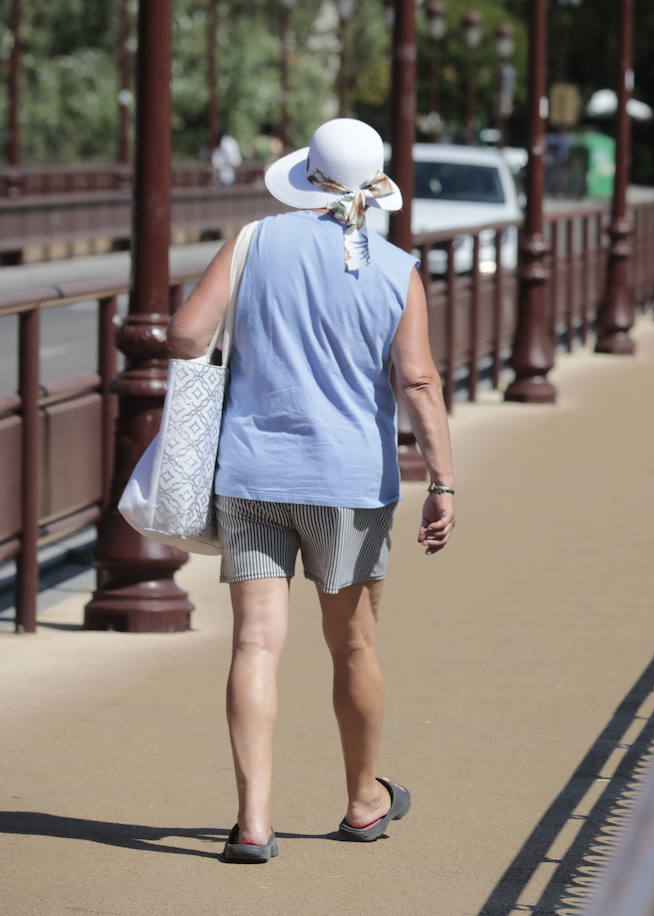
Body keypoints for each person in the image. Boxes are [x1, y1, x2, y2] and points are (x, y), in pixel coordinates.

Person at [167, 118, 455, 864]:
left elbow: (187, 335)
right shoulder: (396, 268)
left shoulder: (255, 241)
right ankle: (364, 803)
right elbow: (418, 382)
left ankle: (253, 823)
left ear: (303, 180)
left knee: (255, 645)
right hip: (349, 483)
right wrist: (444, 482)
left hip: (253, 473)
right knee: (352, 644)